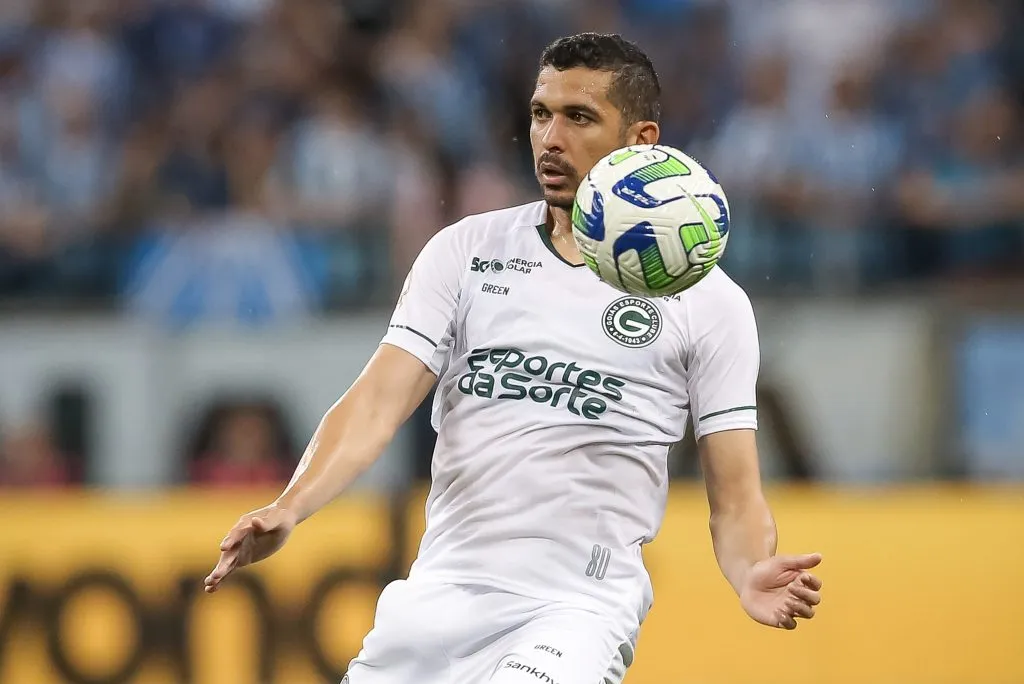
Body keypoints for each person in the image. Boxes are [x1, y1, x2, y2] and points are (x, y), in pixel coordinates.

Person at [204, 33, 823, 683]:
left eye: (578, 117)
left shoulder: (706, 300)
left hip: (576, 611)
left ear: (642, 140)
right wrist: (291, 505)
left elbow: (734, 496)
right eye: (539, 113)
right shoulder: (465, 251)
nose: (550, 138)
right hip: (436, 603)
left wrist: (751, 566)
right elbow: (377, 402)